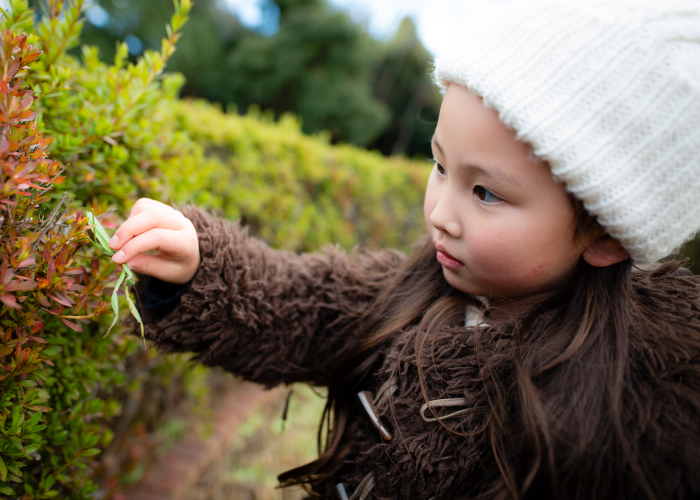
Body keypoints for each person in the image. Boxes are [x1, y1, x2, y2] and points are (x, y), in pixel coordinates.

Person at [108, 0, 700, 498]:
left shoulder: (645, 412)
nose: (440, 214)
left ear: (605, 238)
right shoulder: (414, 291)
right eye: (439, 165)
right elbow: (300, 306)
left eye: (486, 192)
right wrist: (201, 268)